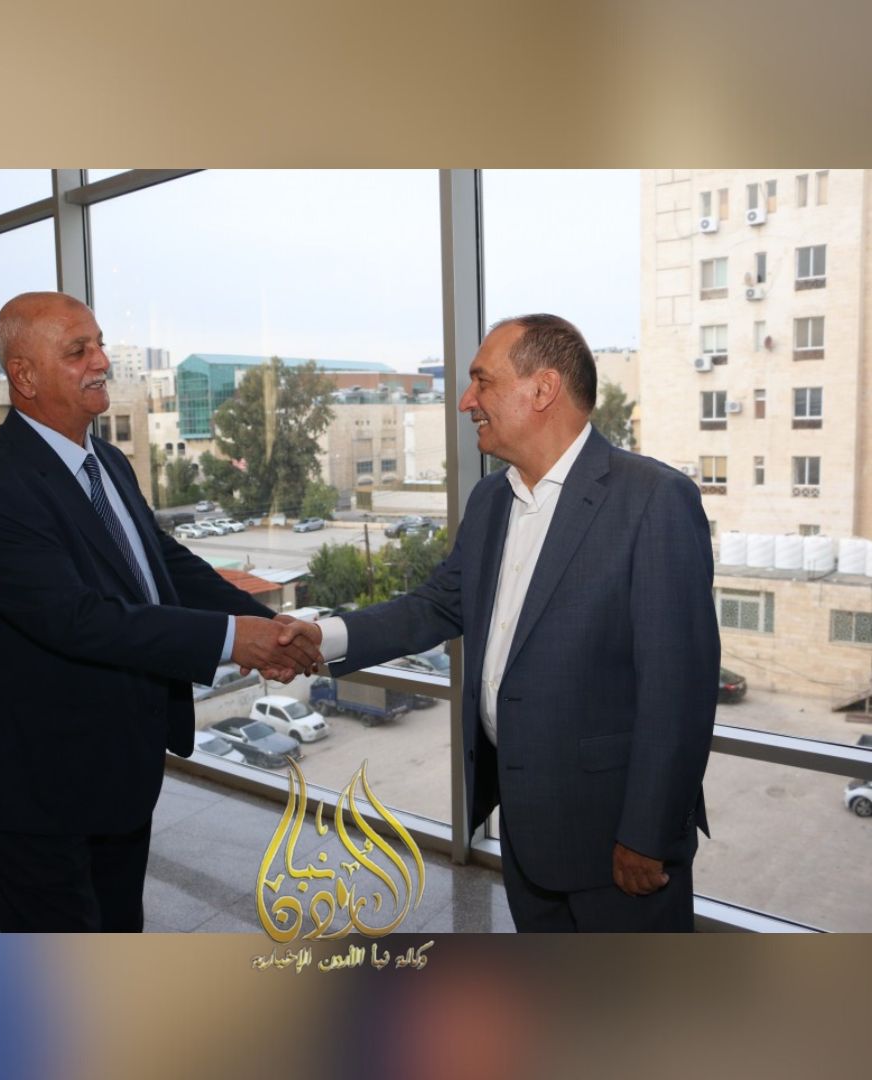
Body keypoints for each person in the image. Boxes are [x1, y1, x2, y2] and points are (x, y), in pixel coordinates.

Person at [287, 314, 720, 932]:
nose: (467, 401)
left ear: (543, 389)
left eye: (482, 381)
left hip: (617, 846)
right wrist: (323, 636)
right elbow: (436, 605)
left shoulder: (653, 499)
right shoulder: (491, 500)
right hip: (525, 835)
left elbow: (679, 690)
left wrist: (646, 835)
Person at [0, 291, 320, 932]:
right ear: (24, 375)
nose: (101, 362)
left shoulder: (107, 462)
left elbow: (160, 563)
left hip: (117, 769)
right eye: (78, 351)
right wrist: (235, 639)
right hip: (38, 786)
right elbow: (79, 618)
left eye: (98, 345)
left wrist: (268, 625)